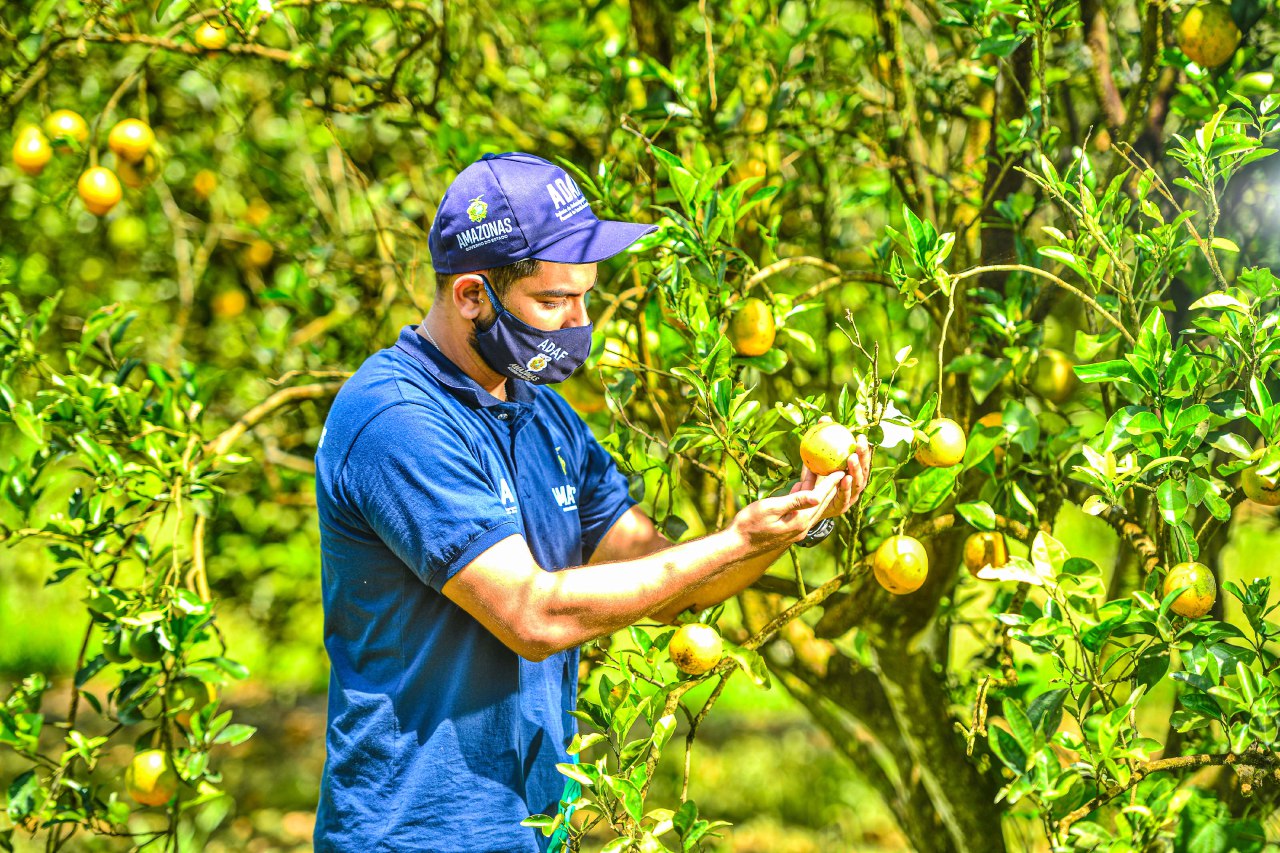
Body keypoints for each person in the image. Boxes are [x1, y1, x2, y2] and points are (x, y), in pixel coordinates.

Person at [313, 152, 872, 852]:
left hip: (536, 829)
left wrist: (789, 522)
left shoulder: (545, 417)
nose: (580, 321)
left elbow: (665, 579)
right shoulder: (396, 418)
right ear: (470, 296)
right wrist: (737, 538)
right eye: (553, 301)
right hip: (416, 832)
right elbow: (530, 612)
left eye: (585, 296)